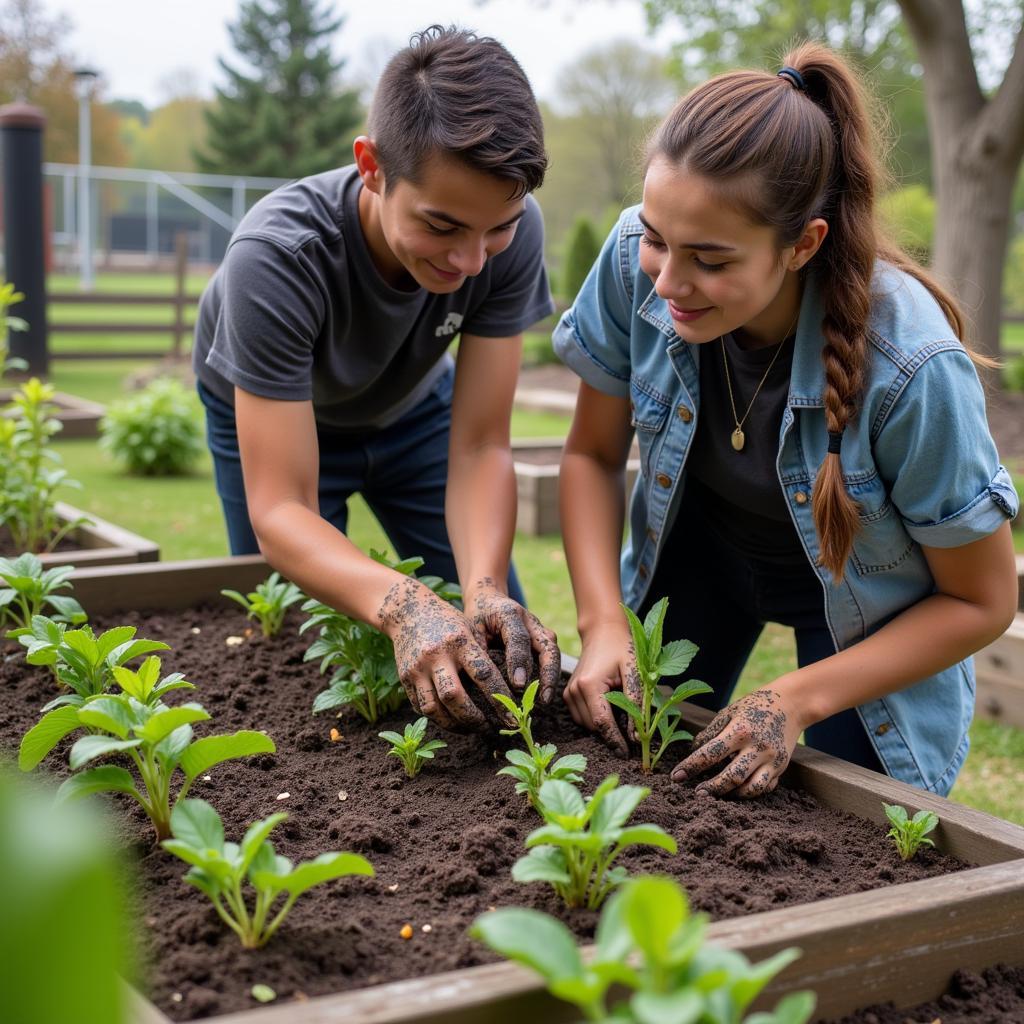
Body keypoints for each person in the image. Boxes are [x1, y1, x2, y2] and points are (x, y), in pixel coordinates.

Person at [553, 41, 1019, 798]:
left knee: (837, 834)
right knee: (627, 771)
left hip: (867, 604)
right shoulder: (637, 253)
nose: (668, 281)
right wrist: (602, 623)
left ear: (803, 244)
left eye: (710, 259)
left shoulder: (911, 368)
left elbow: (983, 600)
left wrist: (795, 699)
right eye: (658, 239)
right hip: (703, 549)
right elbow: (589, 456)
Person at [192, 25, 560, 731]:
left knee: (492, 646)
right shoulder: (276, 258)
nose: (474, 260)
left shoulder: (509, 235)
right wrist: (403, 604)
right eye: (442, 225)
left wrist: (481, 587)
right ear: (371, 166)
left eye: (499, 228)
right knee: (308, 664)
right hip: (278, 432)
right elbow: (281, 510)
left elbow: (482, 445)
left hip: (414, 415)